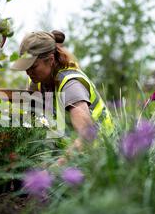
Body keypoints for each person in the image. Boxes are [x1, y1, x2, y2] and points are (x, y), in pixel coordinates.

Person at [10, 30, 114, 158]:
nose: (28, 72)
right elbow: (33, 121)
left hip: (102, 155)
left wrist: (53, 170)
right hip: (72, 153)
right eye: (25, 67)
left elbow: (87, 136)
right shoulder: (37, 81)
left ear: (51, 60)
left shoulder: (71, 85)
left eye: (33, 66)